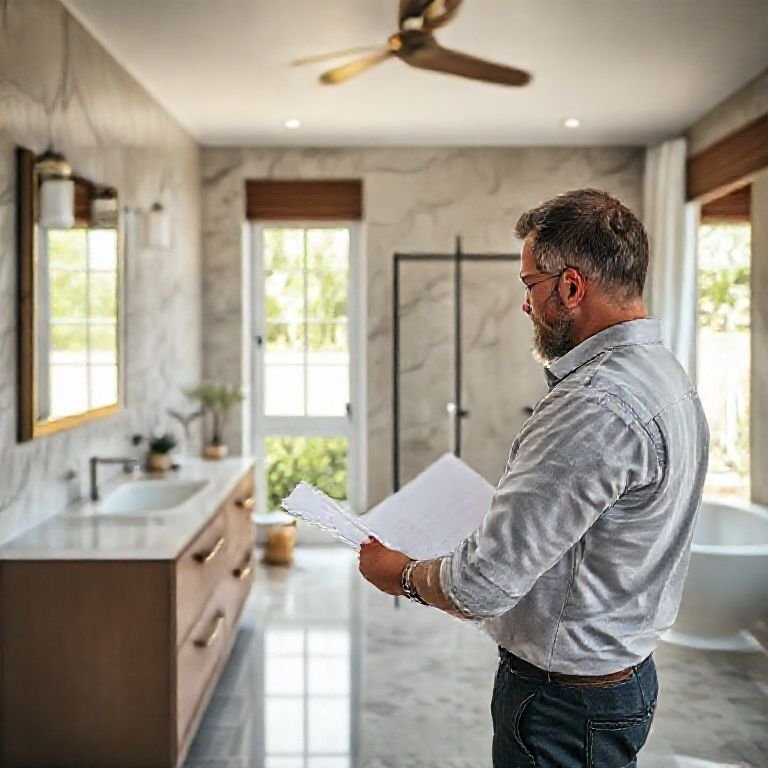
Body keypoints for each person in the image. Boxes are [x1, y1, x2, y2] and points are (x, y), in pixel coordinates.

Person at [358, 188, 709, 768]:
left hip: (563, 706)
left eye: (530, 285)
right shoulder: (665, 375)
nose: (525, 304)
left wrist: (400, 574)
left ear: (570, 287)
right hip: (619, 680)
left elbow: (481, 586)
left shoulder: (597, 405)